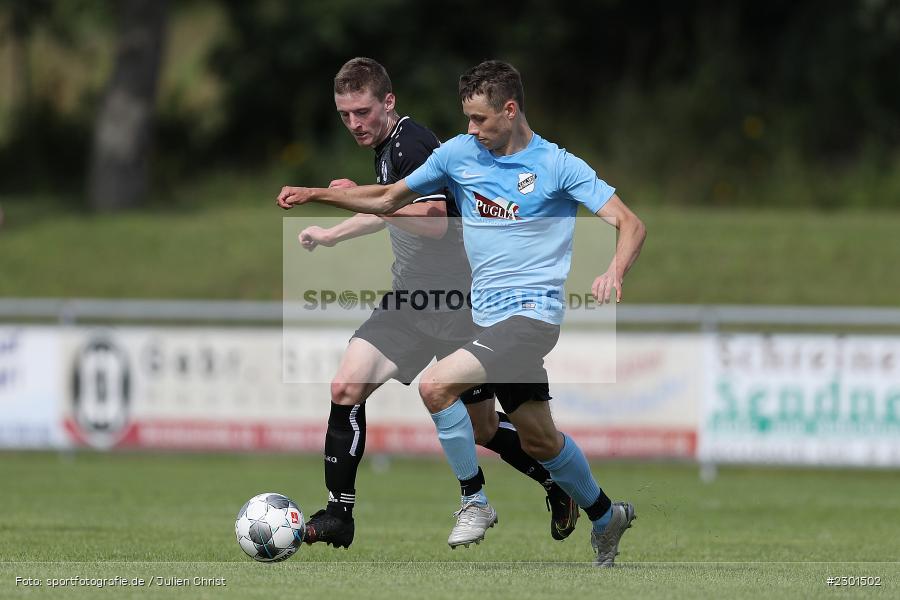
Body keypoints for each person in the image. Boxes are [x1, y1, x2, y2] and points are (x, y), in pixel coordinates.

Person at [278, 60, 647, 566]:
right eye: (467, 119)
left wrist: (614, 271)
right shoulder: (459, 153)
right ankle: (607, 516)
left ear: (510, 110)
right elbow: (388, 199)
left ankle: (474, 500)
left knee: (435, 386)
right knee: (540, 440)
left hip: (529, 318)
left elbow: (630, 223)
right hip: (482, 316)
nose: (470, 130)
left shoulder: (559, 166)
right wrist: (321, 197)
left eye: (479, 120)